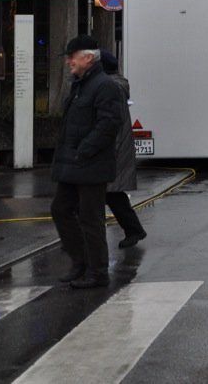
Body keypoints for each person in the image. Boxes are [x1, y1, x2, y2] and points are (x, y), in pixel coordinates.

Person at [51, 35, 122, 289]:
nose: (68, 61)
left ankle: (98, 272)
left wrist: (84, 150)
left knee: (91, 219)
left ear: (88, 58)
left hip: (91, 164)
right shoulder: (80, 85)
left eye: (73, 56)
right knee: (60, 209)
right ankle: (80, 261)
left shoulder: (104, 86)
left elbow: (109, 124)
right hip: (74, 164)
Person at [99, 51, 147, 249]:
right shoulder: (115, 85)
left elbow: (110, 122)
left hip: (113, 150)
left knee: (107, 193)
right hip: (115, 149)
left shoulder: (110, 88)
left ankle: (83, 238)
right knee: (111, 194)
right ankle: (134, 230)